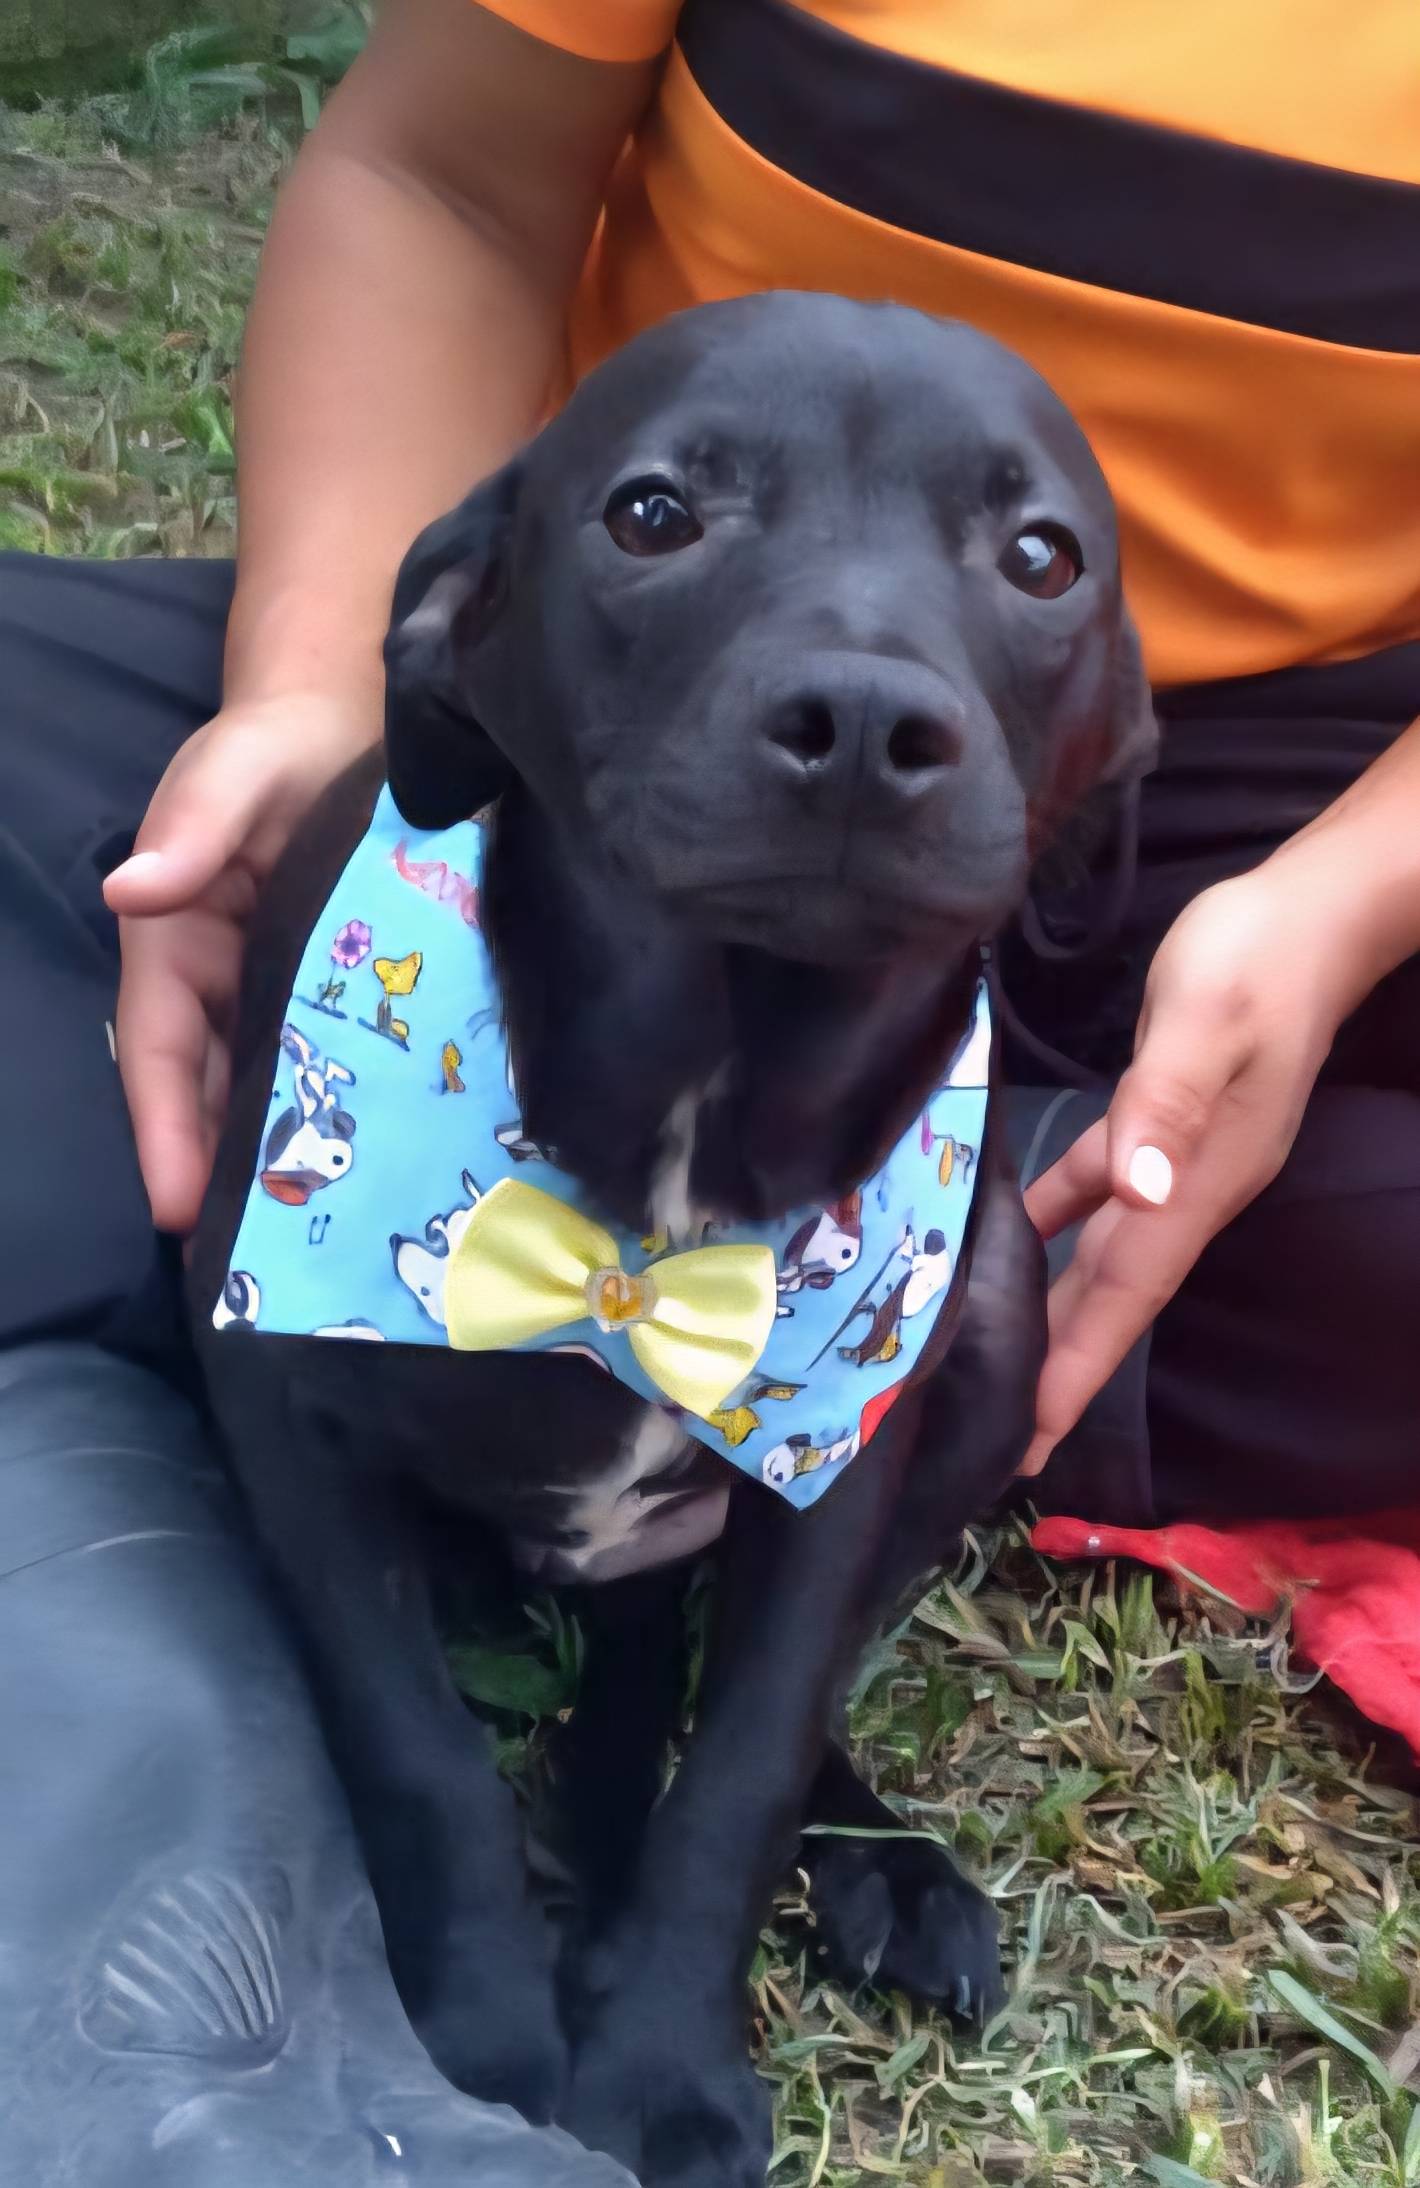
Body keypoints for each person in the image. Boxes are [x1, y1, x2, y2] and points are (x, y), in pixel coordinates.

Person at [6, 4, 1420, 1562]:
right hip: (626, 710)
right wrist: (316, 692)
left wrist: (1345, 905)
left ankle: (918, 1264)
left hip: (1270, 803)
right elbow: (448, 183)